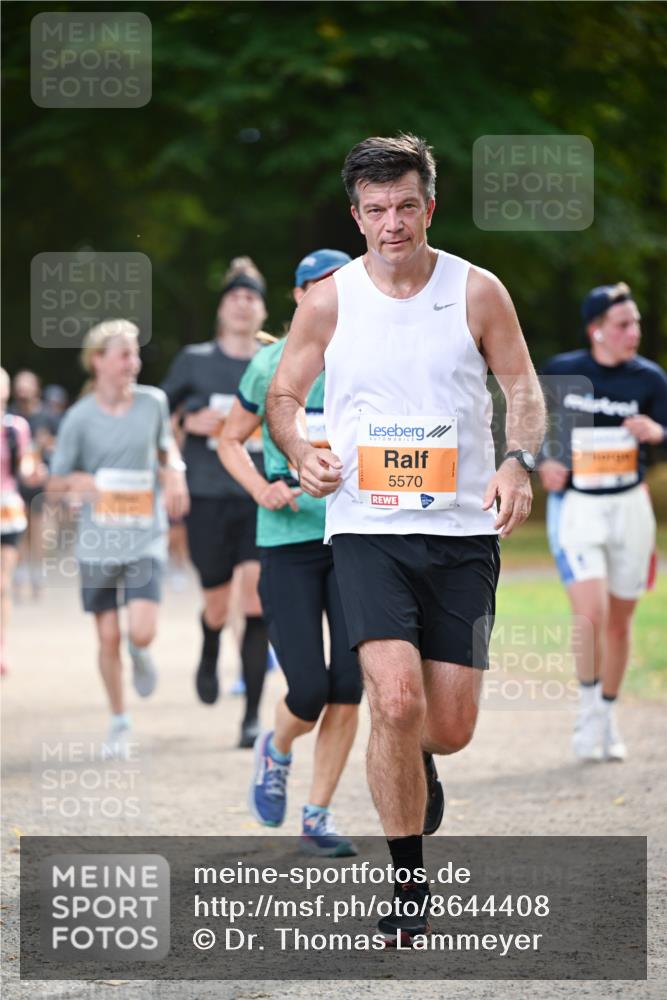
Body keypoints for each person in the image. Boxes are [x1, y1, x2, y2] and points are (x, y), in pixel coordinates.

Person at [266, 133, 545, 945]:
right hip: (366, 527)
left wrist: (519, 462)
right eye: (376, 209)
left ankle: (414, 752)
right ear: (357, 216)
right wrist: (299, 449)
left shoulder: (476, 290)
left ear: (431, 205)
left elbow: (521, 387)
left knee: (446, 727)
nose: (393, 223)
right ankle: (408, 883)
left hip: (461, 530)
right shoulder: (328, 300)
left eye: (406, 206)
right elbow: (284, 394)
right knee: (391, 696)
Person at [219, 248, 362, 857]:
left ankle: (318, 814)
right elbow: (230, 440)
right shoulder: (271, 364)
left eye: (341, 285)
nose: (330, 296)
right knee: (308, 688)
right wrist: (262, 486)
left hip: (360, 538)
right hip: (290, 543)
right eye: (318, 287)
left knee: (351, 684)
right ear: (299, 296)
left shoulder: (372, 353)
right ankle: (276, 749)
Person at [539, 283, 667, 762]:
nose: (633, 332)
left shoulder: (650, 380)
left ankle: (608, 714)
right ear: (596, 330)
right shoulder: (565, 371)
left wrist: (658, 432)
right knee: (590, 614)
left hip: (630, 506)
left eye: (635, 323)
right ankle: (588, 709)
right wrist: (544, 460)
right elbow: (534, 426)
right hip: (578, 505)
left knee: (619, 621)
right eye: (622, 325)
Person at [48, 320, 189, 747]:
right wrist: (77, 483)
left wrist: (177, 474)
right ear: (98, 360)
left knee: (140, 631)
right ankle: (119, 720)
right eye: (125, 354)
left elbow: (168, 450)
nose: (135, 362)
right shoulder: (78, 417)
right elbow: (54, 484)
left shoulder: (153, 403)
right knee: (107, 635)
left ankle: (140, 651)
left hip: (145, 534)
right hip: (97, 540)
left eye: (135, 353)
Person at [161, 257, 270, 748]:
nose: (243, 305)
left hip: (260, 491)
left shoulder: (275, 359)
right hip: (206, 492)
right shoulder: (195, 359)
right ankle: (208, 647)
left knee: (254, 599)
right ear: (221, 309)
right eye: (235, 297)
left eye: (252, 298)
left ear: (263, 311)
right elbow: (158, 417)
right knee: (217, 602)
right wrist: (188, 423)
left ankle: (250, 715)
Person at [1, 368, 43, 674]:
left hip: (7, 513)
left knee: (1, 585)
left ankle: (1, 648)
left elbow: (26, 467)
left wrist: (36, 471)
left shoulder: (16, 428)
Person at [9, 370, 55, 599]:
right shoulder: (10, 417)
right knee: (19, 530)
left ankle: (38, 574)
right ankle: (19, 574)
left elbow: (58, 446)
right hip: (16, 485)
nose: (23, 390)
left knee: (39, 531)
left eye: (28, 385)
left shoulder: (46, 417)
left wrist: (47, 462)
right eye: (20, 385)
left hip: (40, 483)